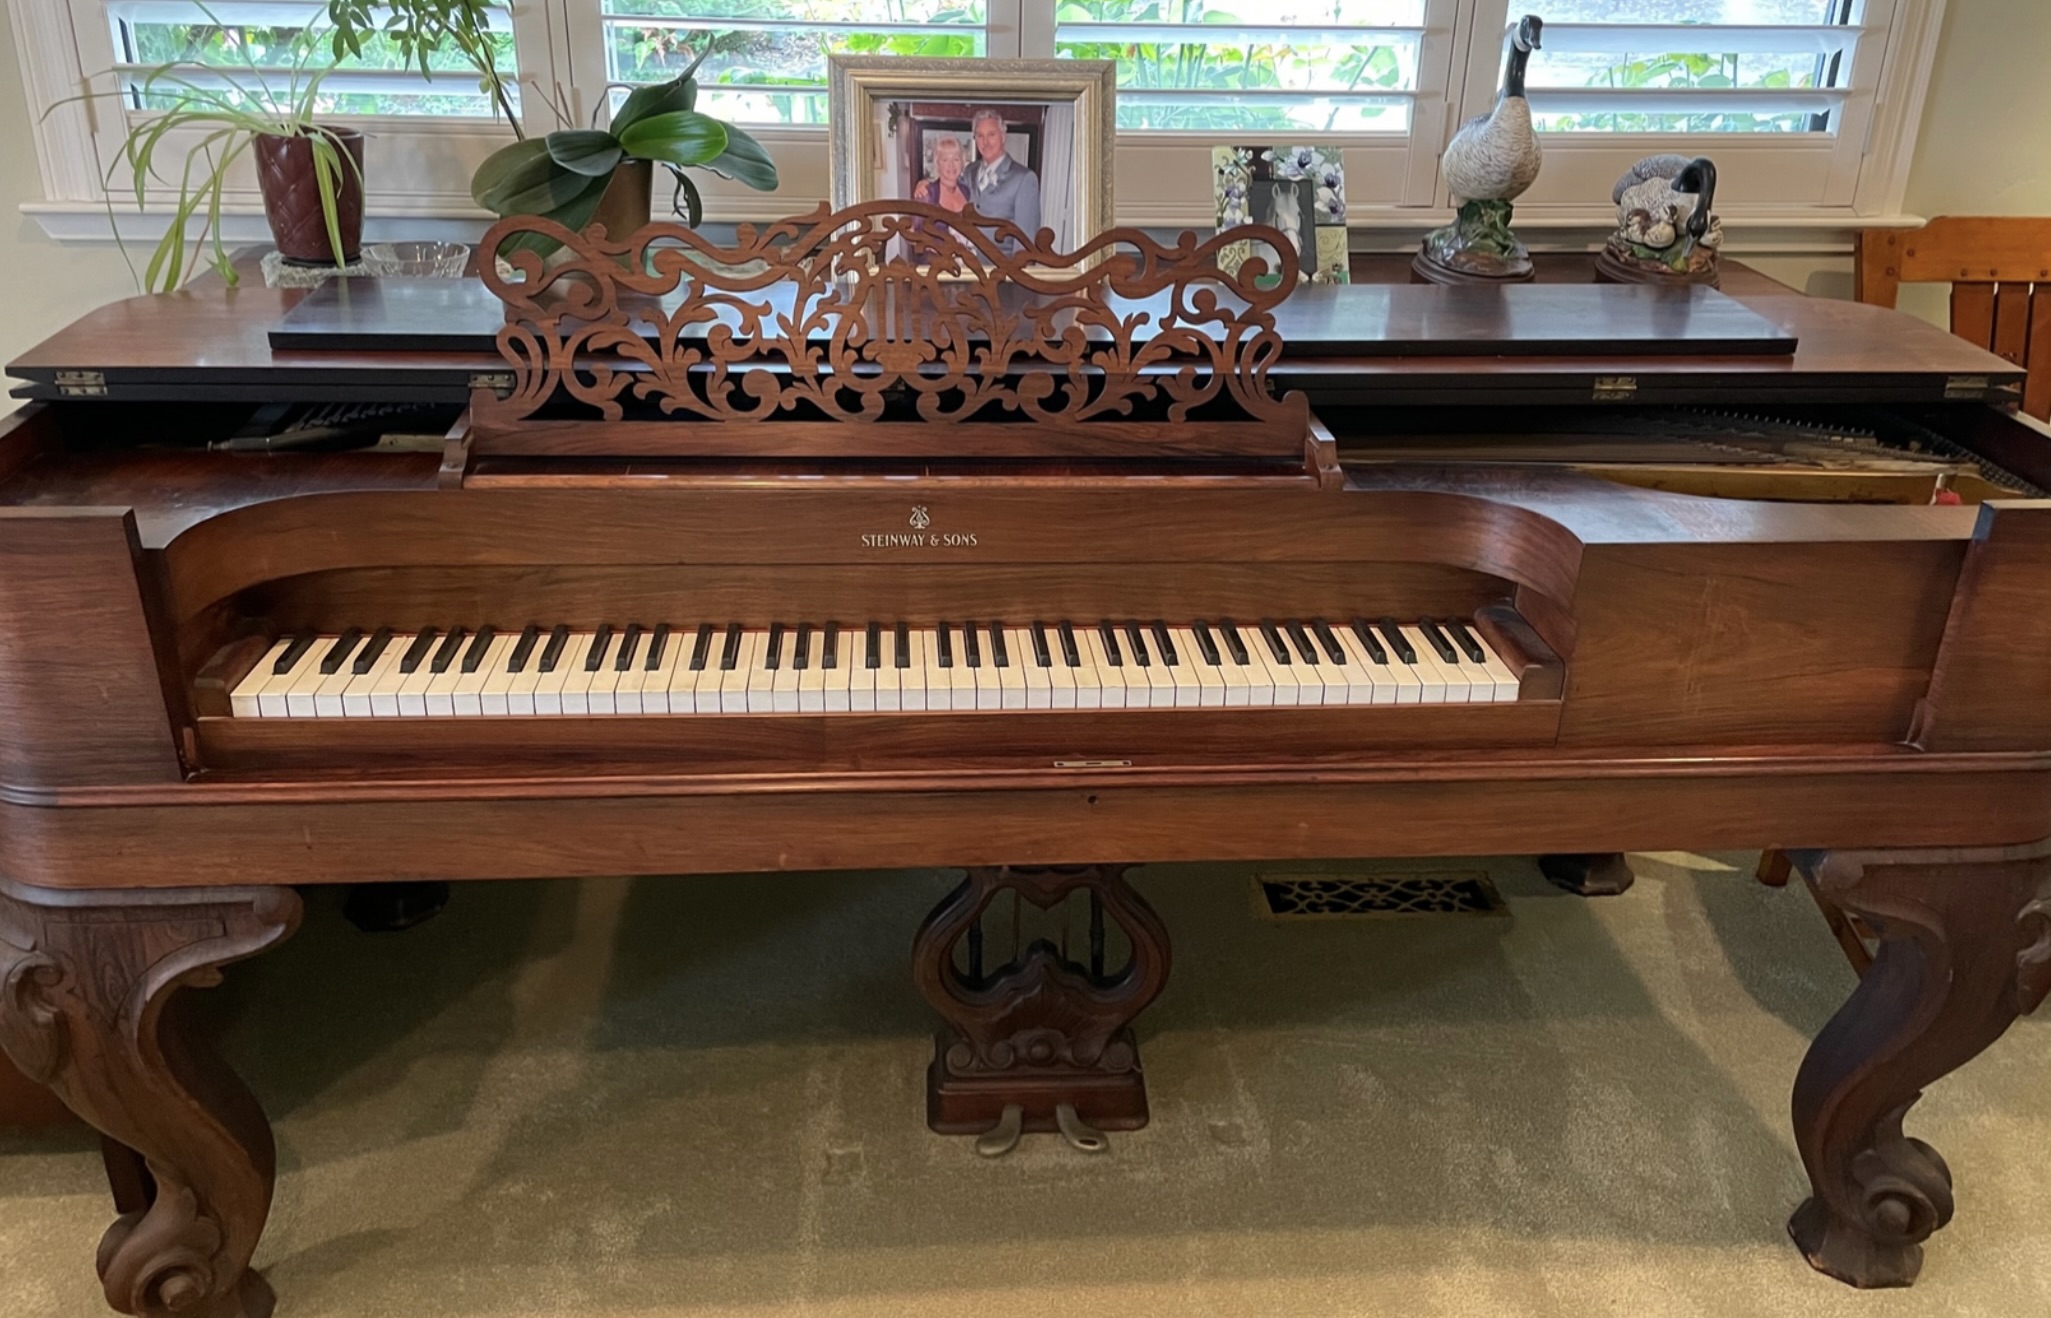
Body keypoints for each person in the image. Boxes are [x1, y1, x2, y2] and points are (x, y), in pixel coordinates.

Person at [964, 107, 1040, 253]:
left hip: (1000, 270)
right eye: (980, 135)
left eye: (991, 134)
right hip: (965, 267)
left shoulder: (1024, 179)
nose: (985, 142)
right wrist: (927, 187)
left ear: (1003, 136)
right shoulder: (969, 171)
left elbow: (1026, 243)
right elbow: (949, 192)